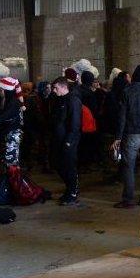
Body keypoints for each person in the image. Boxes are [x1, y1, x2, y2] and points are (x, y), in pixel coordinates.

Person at [113, 64, 140, 209]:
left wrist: (118, 137)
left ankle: (128, 199)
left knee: (129, 167)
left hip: (132, 134)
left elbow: (122, 116)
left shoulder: (128, 91)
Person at [50, 77, 82, 206]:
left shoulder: (73, 101)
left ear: (64, 87)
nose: (54, 90)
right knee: (58, 164)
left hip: (69, 140)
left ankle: (72, 192)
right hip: (59, 139)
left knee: (68, 166)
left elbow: (75, 123)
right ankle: (70, 189)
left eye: (56, 88)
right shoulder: (60, 100)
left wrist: (69, 141)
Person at [0, 77, 23, 173]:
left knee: (11, 161)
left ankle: (12, 182)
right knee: (5, 160)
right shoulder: (7, 100)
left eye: (2, 90)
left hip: (12, 134)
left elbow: (2, 116)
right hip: (7, 132)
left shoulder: (13, 102)